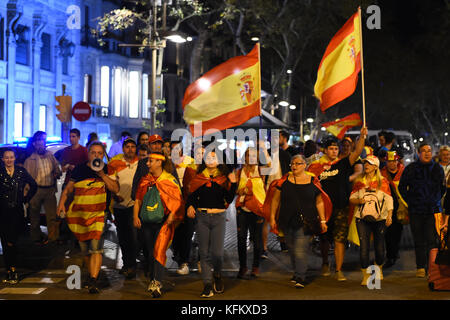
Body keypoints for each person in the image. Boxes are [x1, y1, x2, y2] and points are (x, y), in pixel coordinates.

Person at [57, 141, 119, 293]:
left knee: (96, 249)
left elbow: (115, 188)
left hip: (99, 215)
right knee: (85, 250)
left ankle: (93, 280)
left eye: (99, 153)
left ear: (103, 155)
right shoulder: (79, 169)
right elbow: (69, 189)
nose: (96, 156)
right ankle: (92, 275)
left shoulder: (108, 168)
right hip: (81, 216)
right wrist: (61, 204)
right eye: (93, 153)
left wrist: (102, 175)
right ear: (89, 154)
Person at [307, 126, 368, 281]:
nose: (334, 151)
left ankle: (339, 269)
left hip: (341, 207)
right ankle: (325, 263)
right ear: (325, 151)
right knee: (325, 239)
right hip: (323, 210)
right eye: (331, 148)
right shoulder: (315, 167)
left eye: (336, 148)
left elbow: (357, 152)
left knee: (340, 239)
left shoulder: (343, 164)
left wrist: (362, 137)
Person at [266, 154, 331, 288]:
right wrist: (272, 217)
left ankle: (301, 276)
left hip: (306, 222)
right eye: (292, 164)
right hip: (286, 220)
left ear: (304, 165)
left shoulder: (313, 181)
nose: (294, 166)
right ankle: (297, 272)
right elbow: (275, 200)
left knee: (300, 250)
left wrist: (323, 221)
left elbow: (319, 202)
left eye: (297, 163)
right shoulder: (283, 181)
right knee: (291, 248)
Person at [186, 149, 237, 298]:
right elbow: (192, 196)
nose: (210, 159)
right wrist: (190, 205)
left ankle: (218, 274)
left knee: (217, 253)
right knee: (204, 252)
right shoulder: (198, 177)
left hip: (219, 217)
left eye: (214, 157)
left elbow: (228, 198)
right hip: (202, 217)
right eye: (208, 156)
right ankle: (207, 284)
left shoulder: (223, 178)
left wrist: (233, 184)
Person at [133, 152, 184, 298]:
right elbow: (138, 200)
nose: (147, 163)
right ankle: (153, 279)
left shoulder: (169, 180)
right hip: (147, 222)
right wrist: (135, 216)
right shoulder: (145, 180)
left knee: (159, 251)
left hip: (164, 221)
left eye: (150, 161)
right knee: (150, 252)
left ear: (159, 162)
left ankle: (156, 282)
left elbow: (178, 201)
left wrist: (173, 215)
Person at [398, 142, 446, 278]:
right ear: (419, 153)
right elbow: (402, 187)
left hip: (432, 210)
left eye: (429, 151)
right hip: (416, 210)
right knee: (419, 239)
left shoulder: (437, 169)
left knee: (432, 240)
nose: (427, 153)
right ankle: (420, 267)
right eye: (424, 151)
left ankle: (431, 267)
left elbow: (442, 188)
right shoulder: (411, 169)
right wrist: (410, 201)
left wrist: (435, 199)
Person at [349, 155, 393, 286]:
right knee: (364, 248)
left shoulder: (383, 182)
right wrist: (359, 200)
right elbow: (351, 198)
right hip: (361, 218)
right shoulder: (359, 181)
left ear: (375, 167)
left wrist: (389, 215)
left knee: (379, 248)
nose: (366, 165)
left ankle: (378, 266)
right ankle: (366, 275)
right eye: (365, 163)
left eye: (369, 163)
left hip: (380, 219)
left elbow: (389, 199)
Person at [0, 149, 37, 284]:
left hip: (16, 211)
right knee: (5, 241)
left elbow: (34, 185)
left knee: (12, 241)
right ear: (2, 159)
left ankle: (13, 269)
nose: (9, 160)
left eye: (11, 157)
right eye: (6, 158)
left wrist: (26, 199)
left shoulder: (21, 172)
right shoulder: (0, 172)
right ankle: (9, 270)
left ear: (15, 158)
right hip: (2, 211)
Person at [107, 138, 139, 279]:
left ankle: (132, 265)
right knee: (123, 237)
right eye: (127, 146)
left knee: (133, 237)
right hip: (119, 205)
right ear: (123, 148)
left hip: (134, 205)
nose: (130, 149)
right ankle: (127, 264)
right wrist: (115, 195)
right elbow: (110, 182)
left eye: (133, 146)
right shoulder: (115, 163)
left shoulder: (142, 163)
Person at [24, 131, 62, 245]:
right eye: (40, 141)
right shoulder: (30, 159)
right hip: (36, 190)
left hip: (50, 189)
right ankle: (36, 238)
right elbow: (26, 179)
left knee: (51, 217)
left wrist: (57, 173)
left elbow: (58, 170)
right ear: (35, 144)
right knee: (34, 217)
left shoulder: (50, 155)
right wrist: (27, 194)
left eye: (44, 141)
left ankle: (53, 238)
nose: (43, 144)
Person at [235, 148, 266, 280]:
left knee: (257, 240)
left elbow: (265, 189)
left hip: (258, 210)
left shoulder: (262, 171)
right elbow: (235, 190)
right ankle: (243, 267)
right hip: (242, 210)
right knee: (241, 240)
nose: (251, 158)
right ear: (245, 157)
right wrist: (240, 191)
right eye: (248, 155)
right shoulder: (239, 172)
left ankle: (256, 266)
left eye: (254, 156)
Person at [170, 141, 197, 276]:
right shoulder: (167, 164)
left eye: (178, 148)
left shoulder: (190, 162)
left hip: (188, 202)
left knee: (187, 232)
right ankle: (177, 254)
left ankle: (184, 261)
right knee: (175, 233)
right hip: (173, 203)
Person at [381, 151, 408, 268]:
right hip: (386, 208)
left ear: (398, 161)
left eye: (394, 161)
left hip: (400, 208)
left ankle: (394, 253)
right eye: (389, 161)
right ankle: (390, 255)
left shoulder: (404, 173)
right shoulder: (381, 174)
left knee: (397, 232)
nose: (392, 164)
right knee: (387, 233)